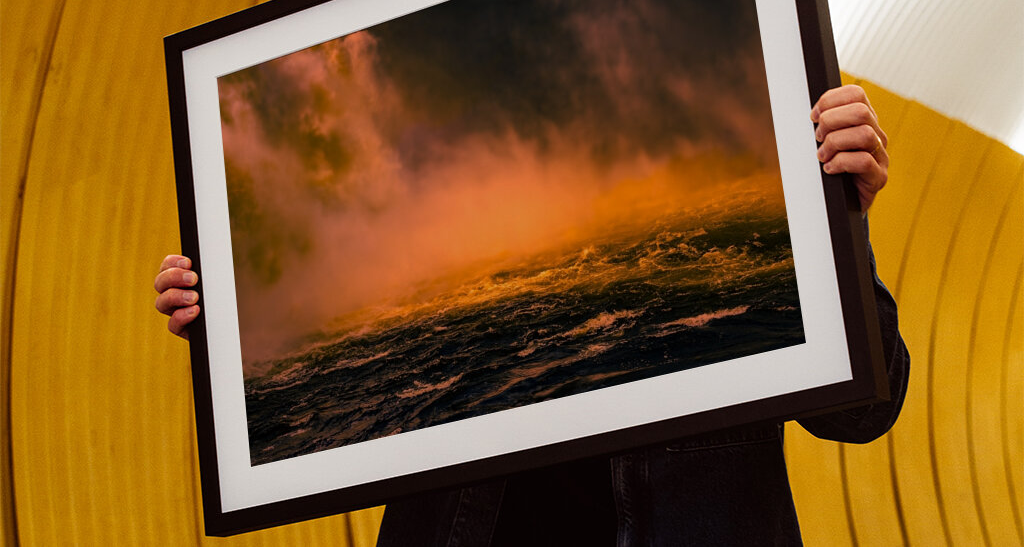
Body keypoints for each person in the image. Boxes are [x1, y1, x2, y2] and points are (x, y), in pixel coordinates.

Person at [154, 85, 909, 546]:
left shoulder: (762, 211)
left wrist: (841, 218)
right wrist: (236, 329)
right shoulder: (432, 279)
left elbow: (866, 410)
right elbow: (328, 374)